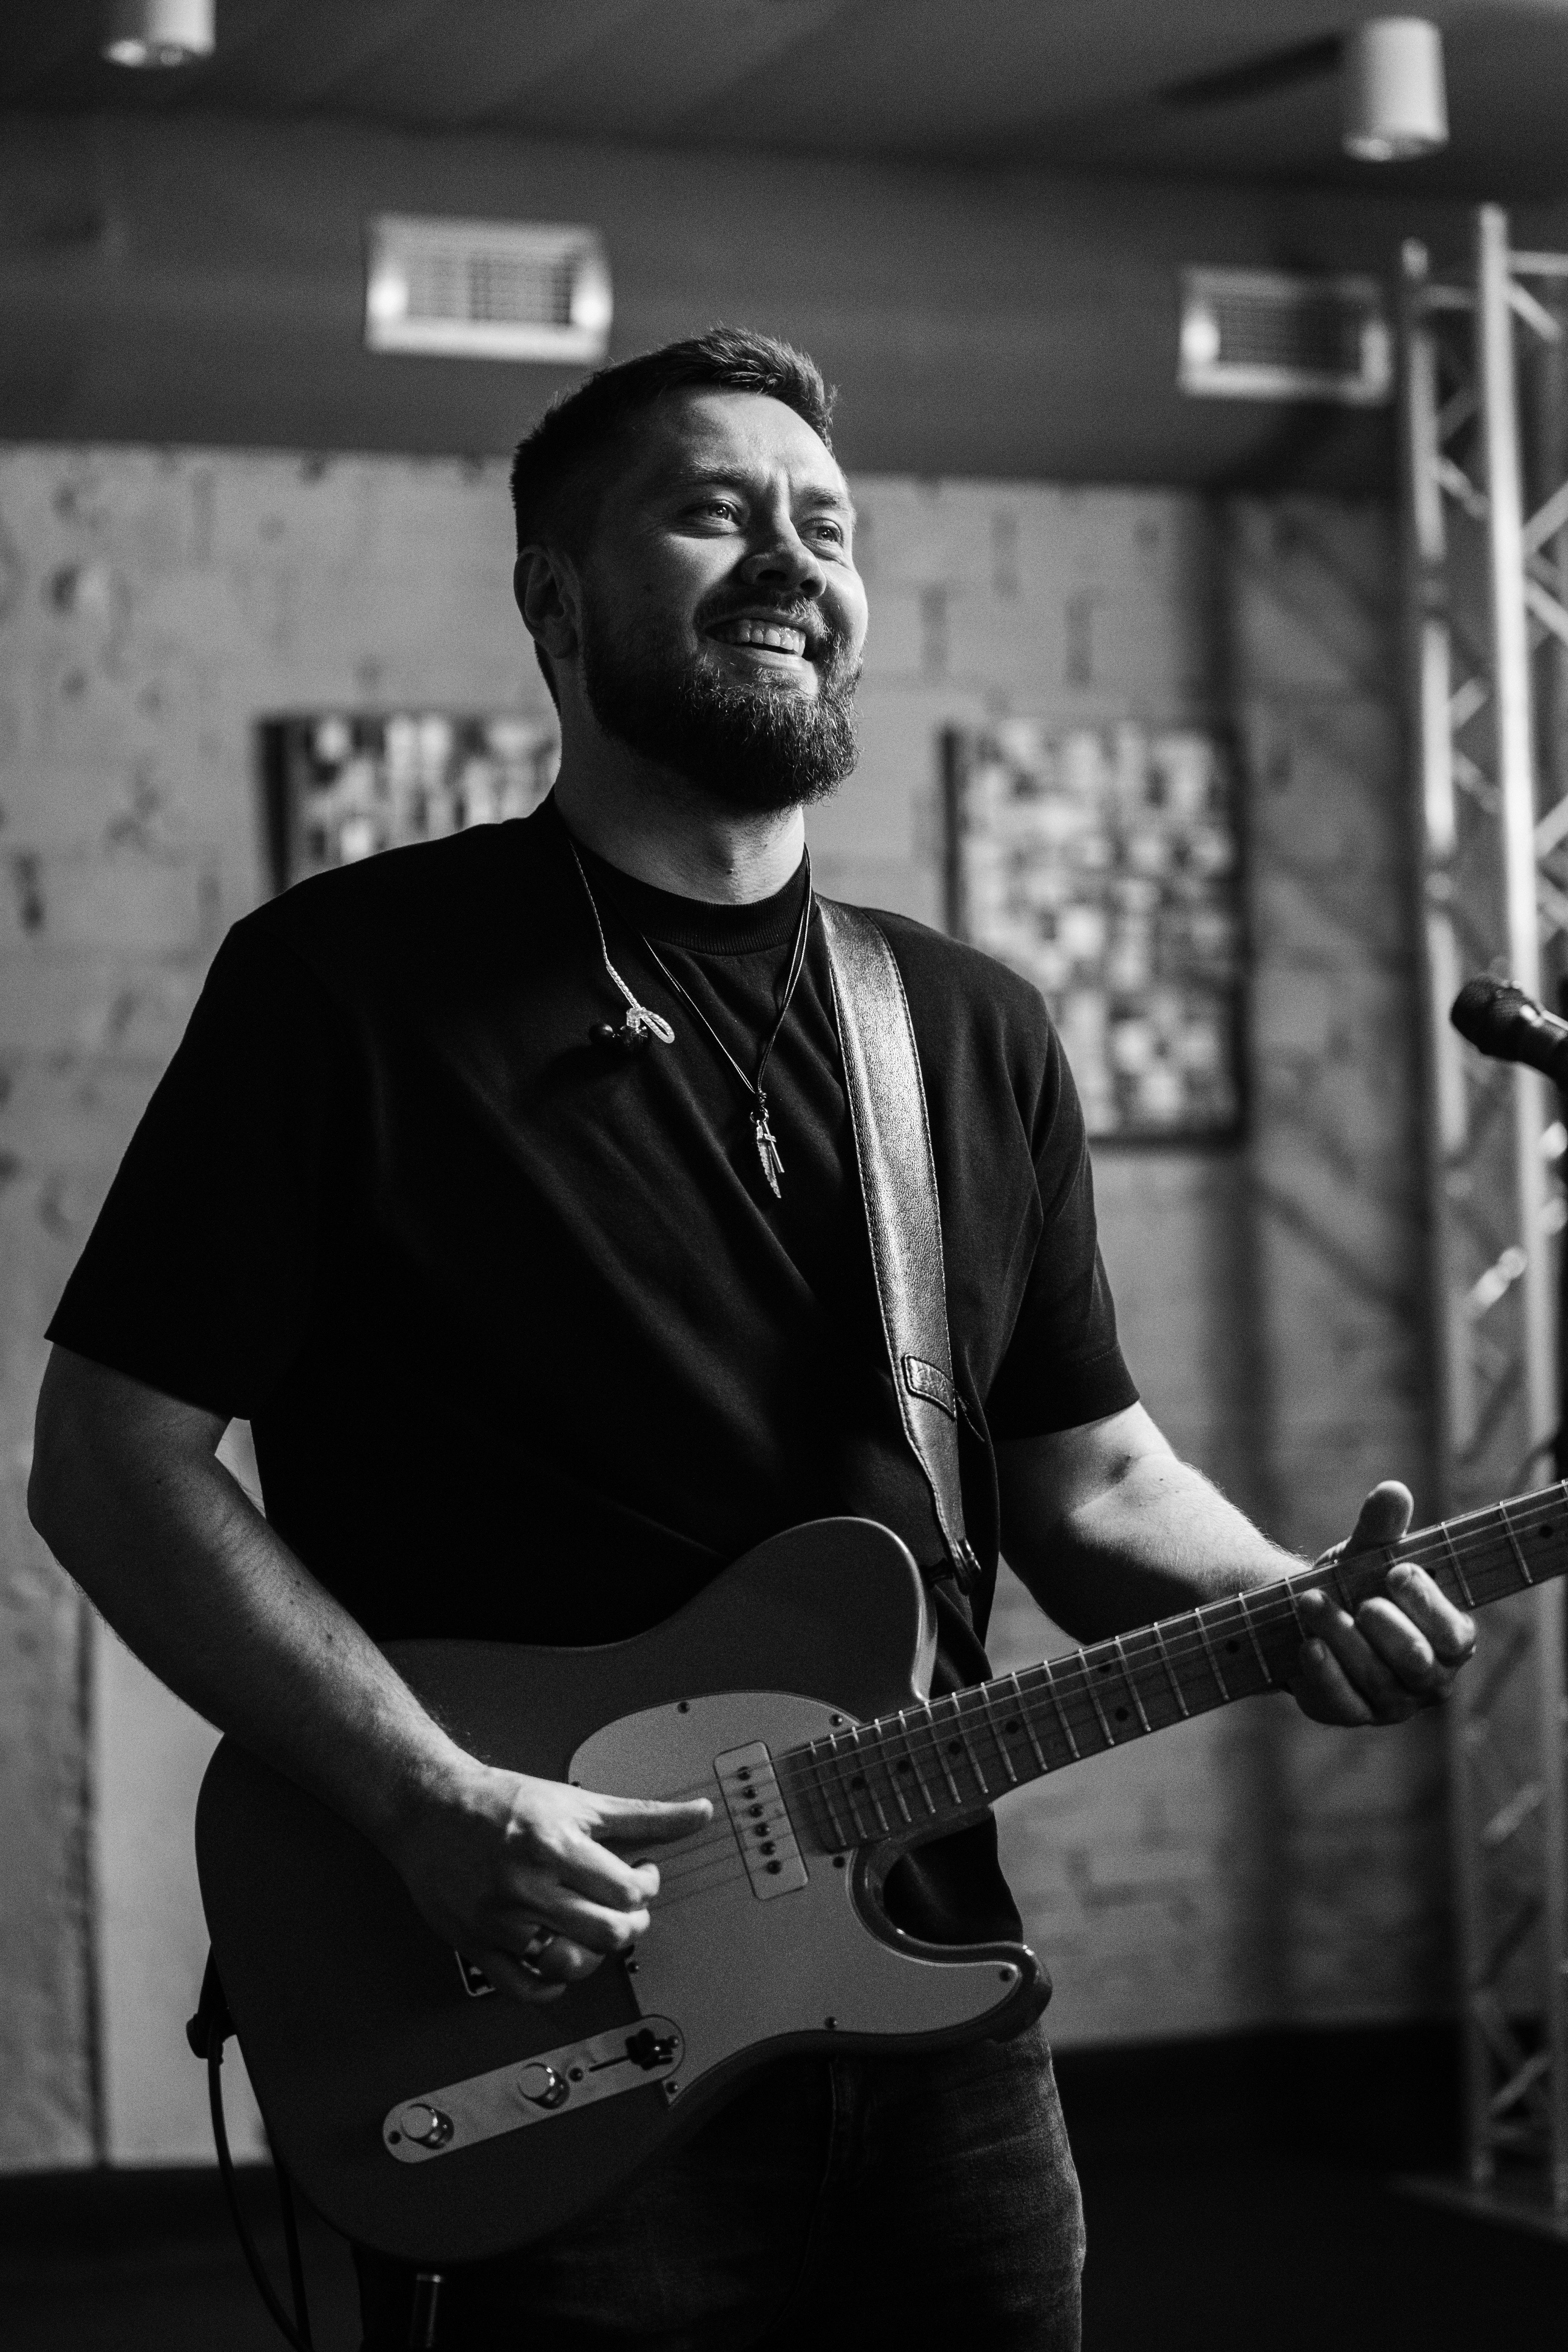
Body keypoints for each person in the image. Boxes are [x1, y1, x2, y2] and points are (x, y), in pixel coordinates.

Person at [28, 328, 1475, 2352]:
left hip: (938, 2007)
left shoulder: (969, 1030)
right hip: (535, 1994)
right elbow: (109, 1455)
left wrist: (1294, 1598)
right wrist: (427, 1802)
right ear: (553, 596)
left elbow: (1092, 1474)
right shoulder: (343, 991)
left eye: (829, 522)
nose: (795, 558)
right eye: (718, 511)